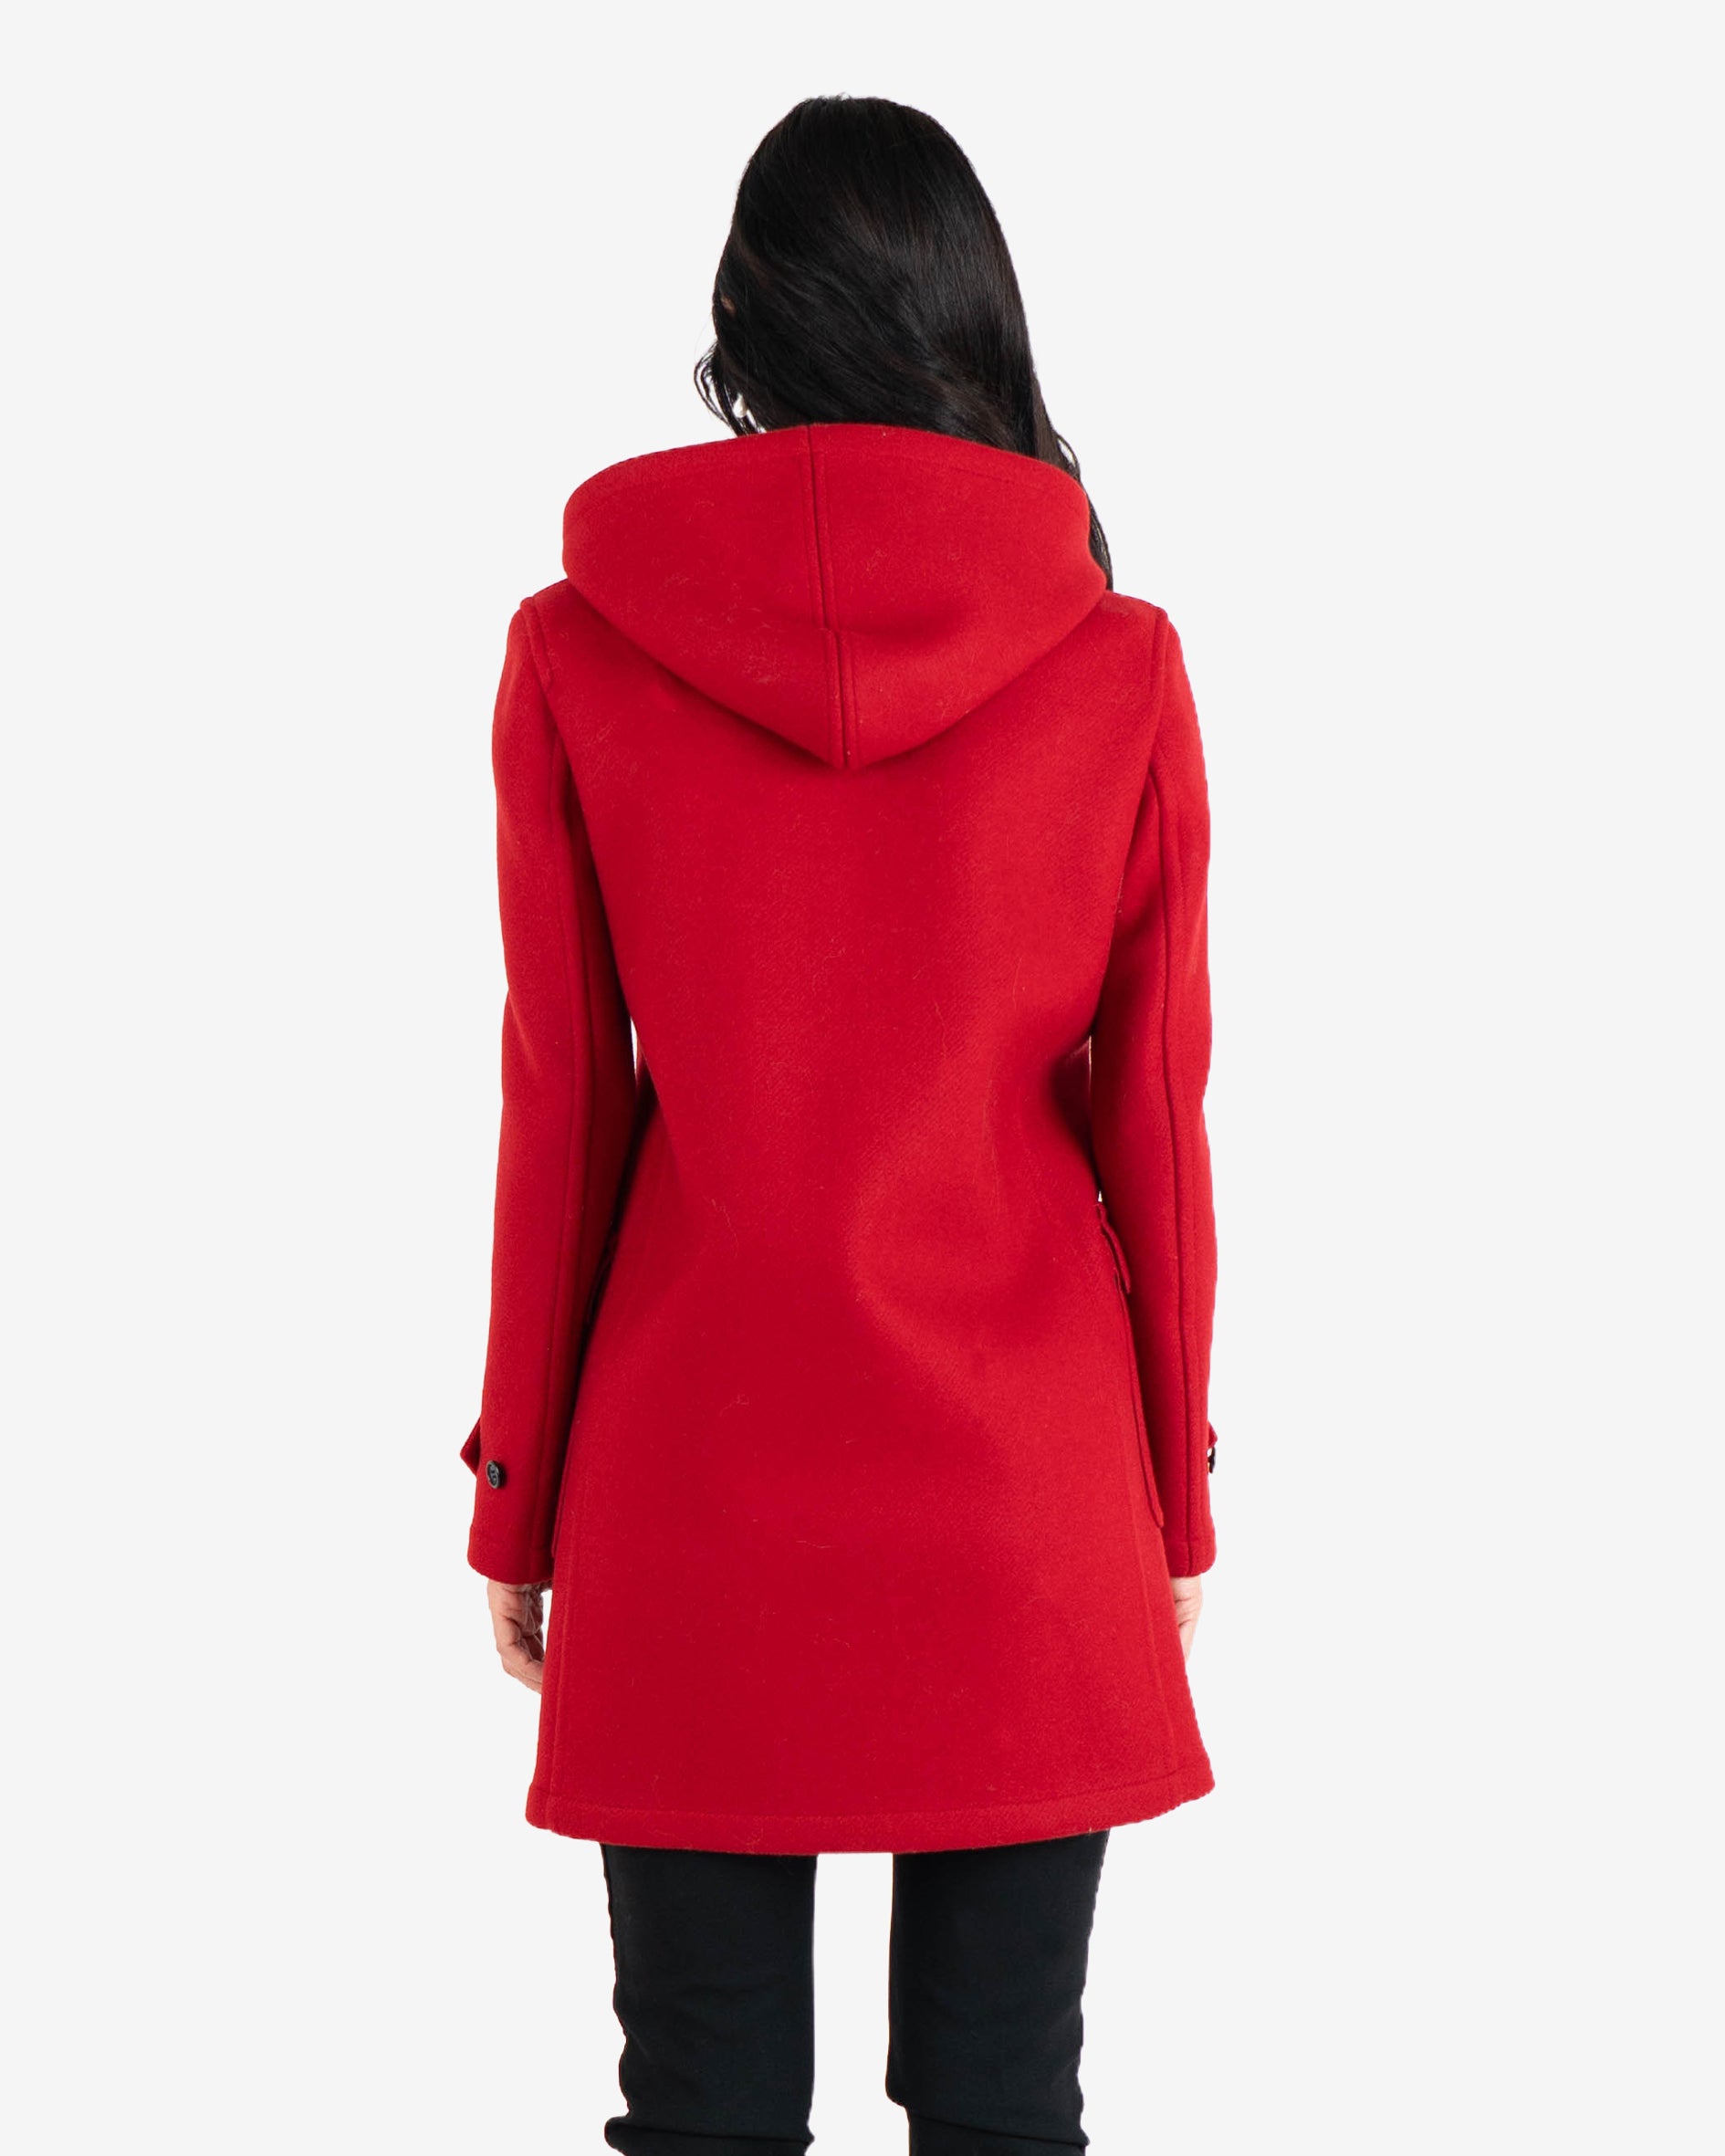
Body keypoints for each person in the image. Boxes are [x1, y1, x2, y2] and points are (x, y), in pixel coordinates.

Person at [460, 93, 1221, 2155]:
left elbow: (564, 1114)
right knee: (1003, 2107)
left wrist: (520, 1493)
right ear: (978, 320)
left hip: (689, 1492)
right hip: (1026, 1488)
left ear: (746, 329)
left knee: (701, 2114)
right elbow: (1156, 1126)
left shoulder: (578, 650)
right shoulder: (1120, 665)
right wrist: (1173, 1493)